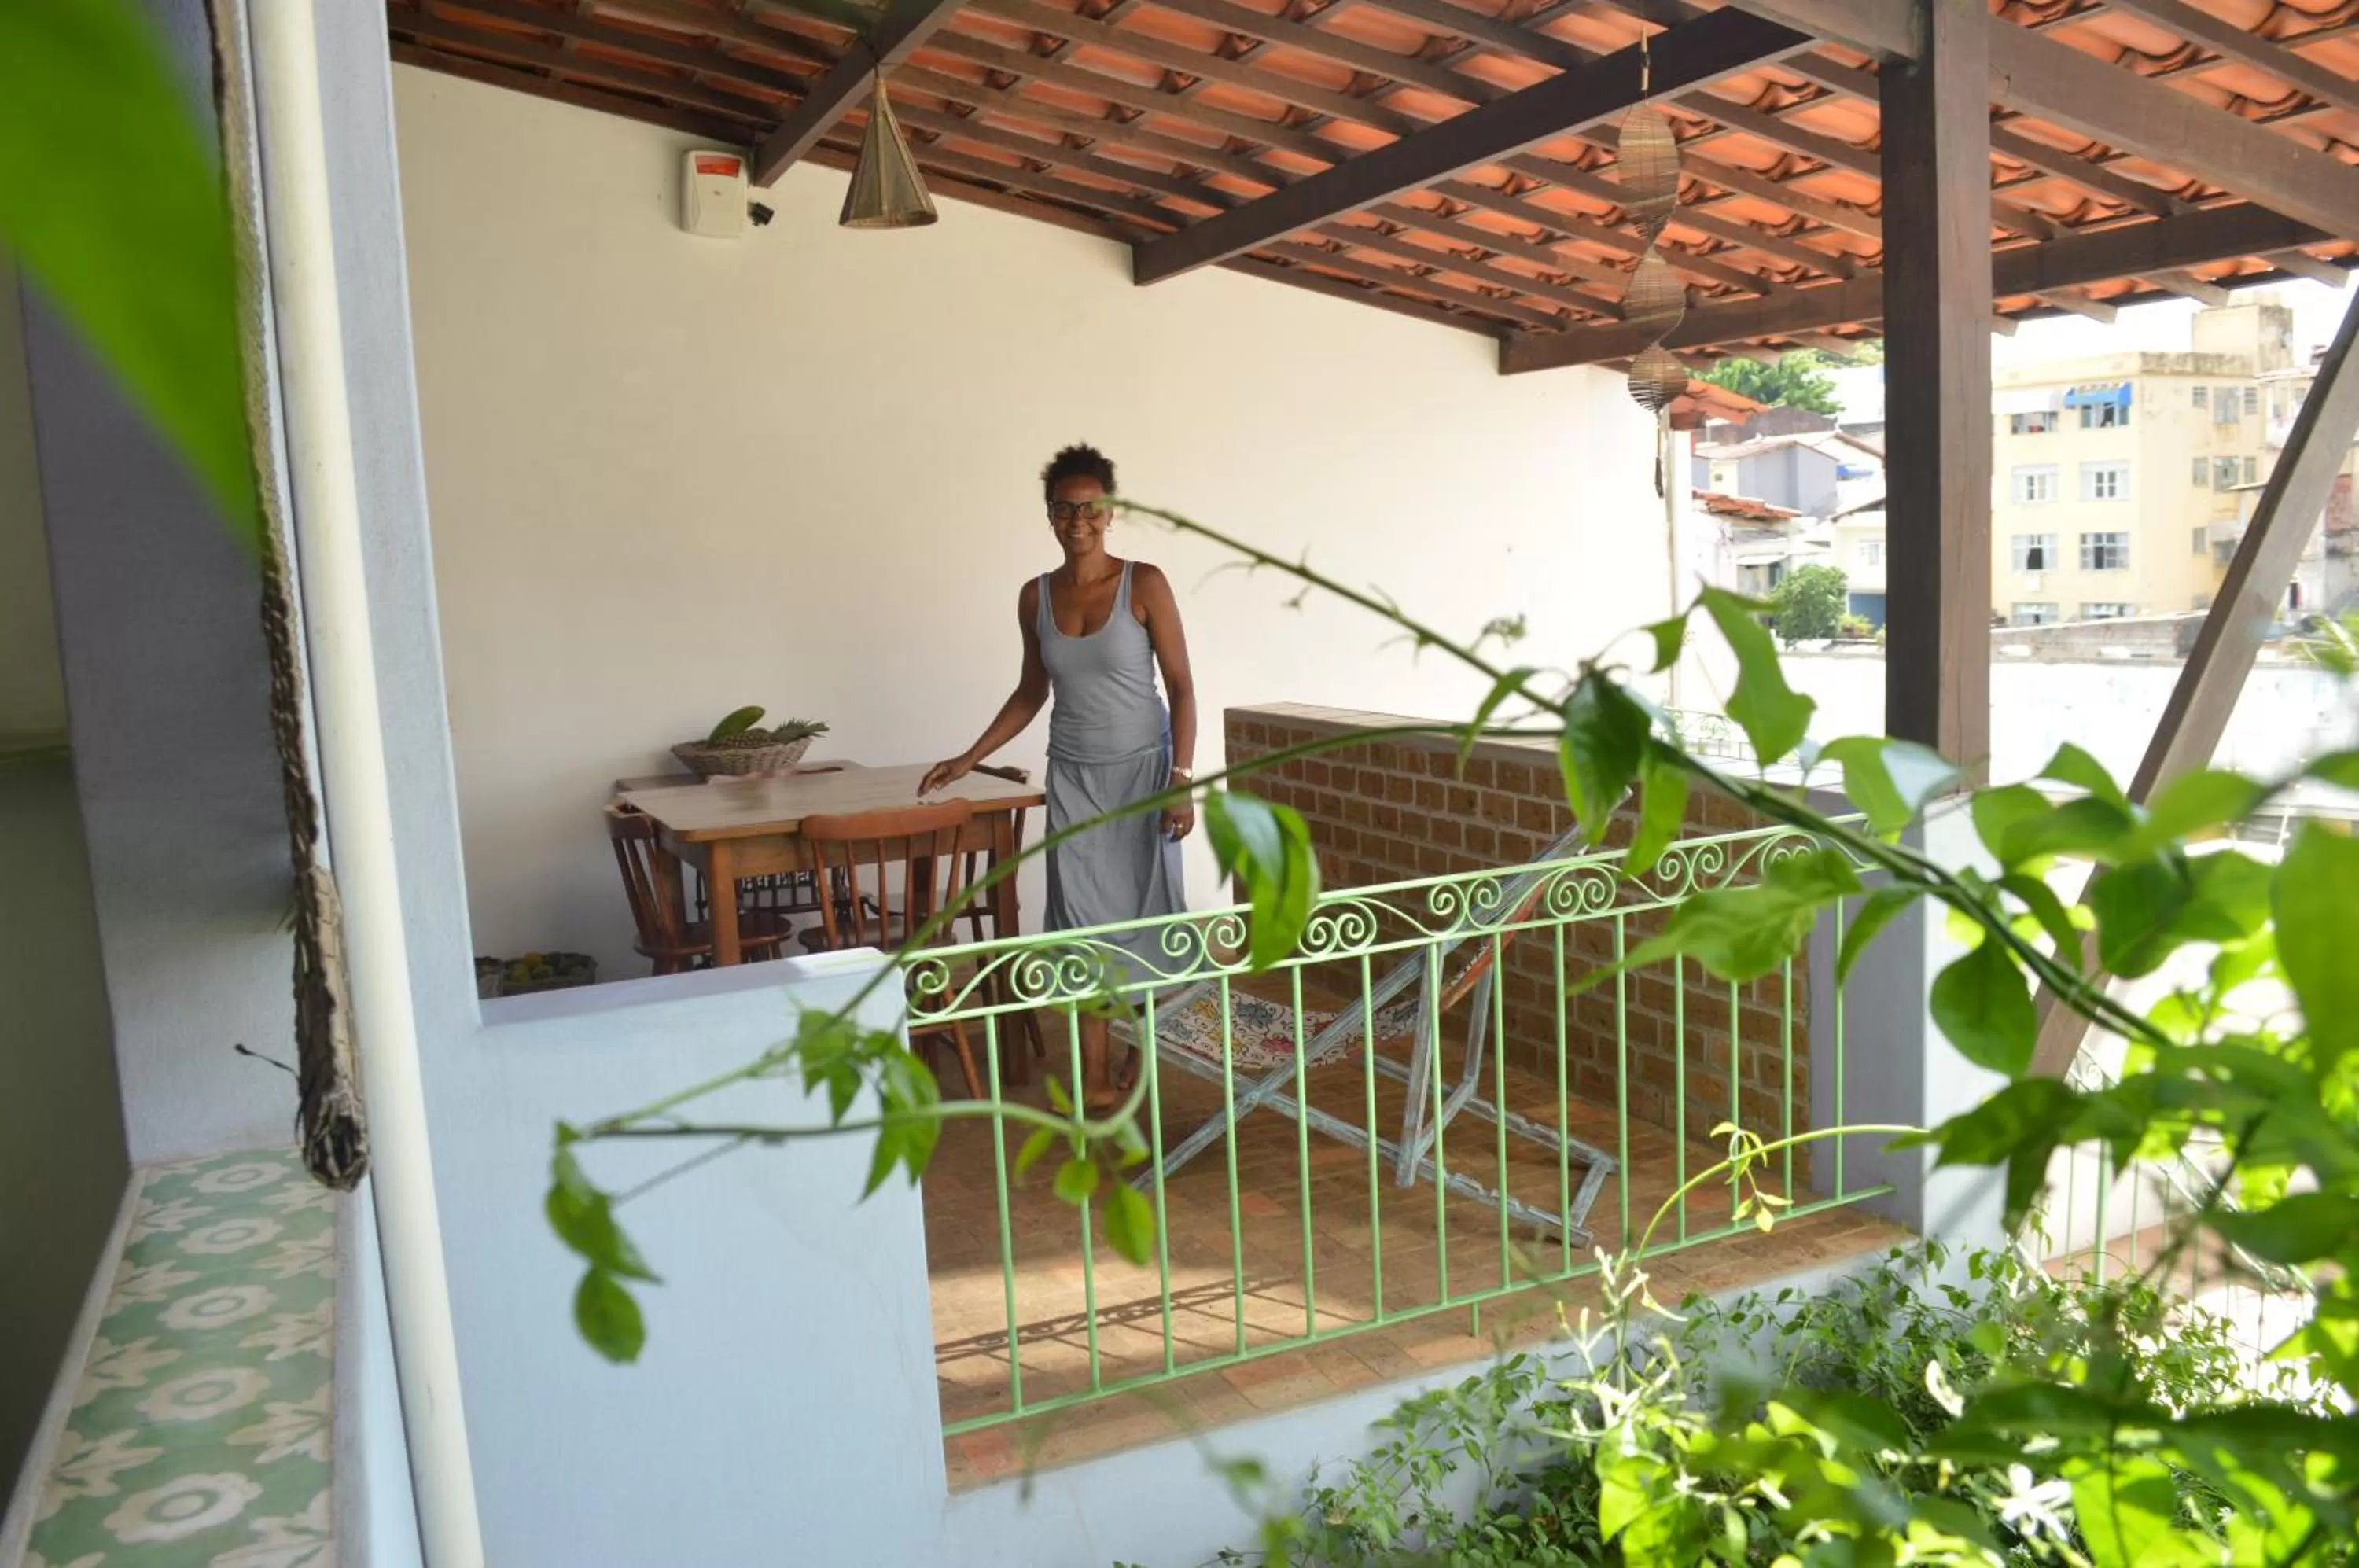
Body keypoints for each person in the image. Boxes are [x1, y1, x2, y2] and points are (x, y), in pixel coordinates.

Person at [922, 444, 1197, 1113]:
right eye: (1063, 510)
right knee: (1079, 924)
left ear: (1110, 512)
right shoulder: (1035, 597)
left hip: (1144, 776)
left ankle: (1143, 1047)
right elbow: (1030, 691)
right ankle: (1095, 1078)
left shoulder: (1146, 583)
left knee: (1150, 915)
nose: (1077, 520)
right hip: (1073, 777)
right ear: (1049, 516)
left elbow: (1184, 688)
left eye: (1089, 509)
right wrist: (968, 756)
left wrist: (1182, 776)